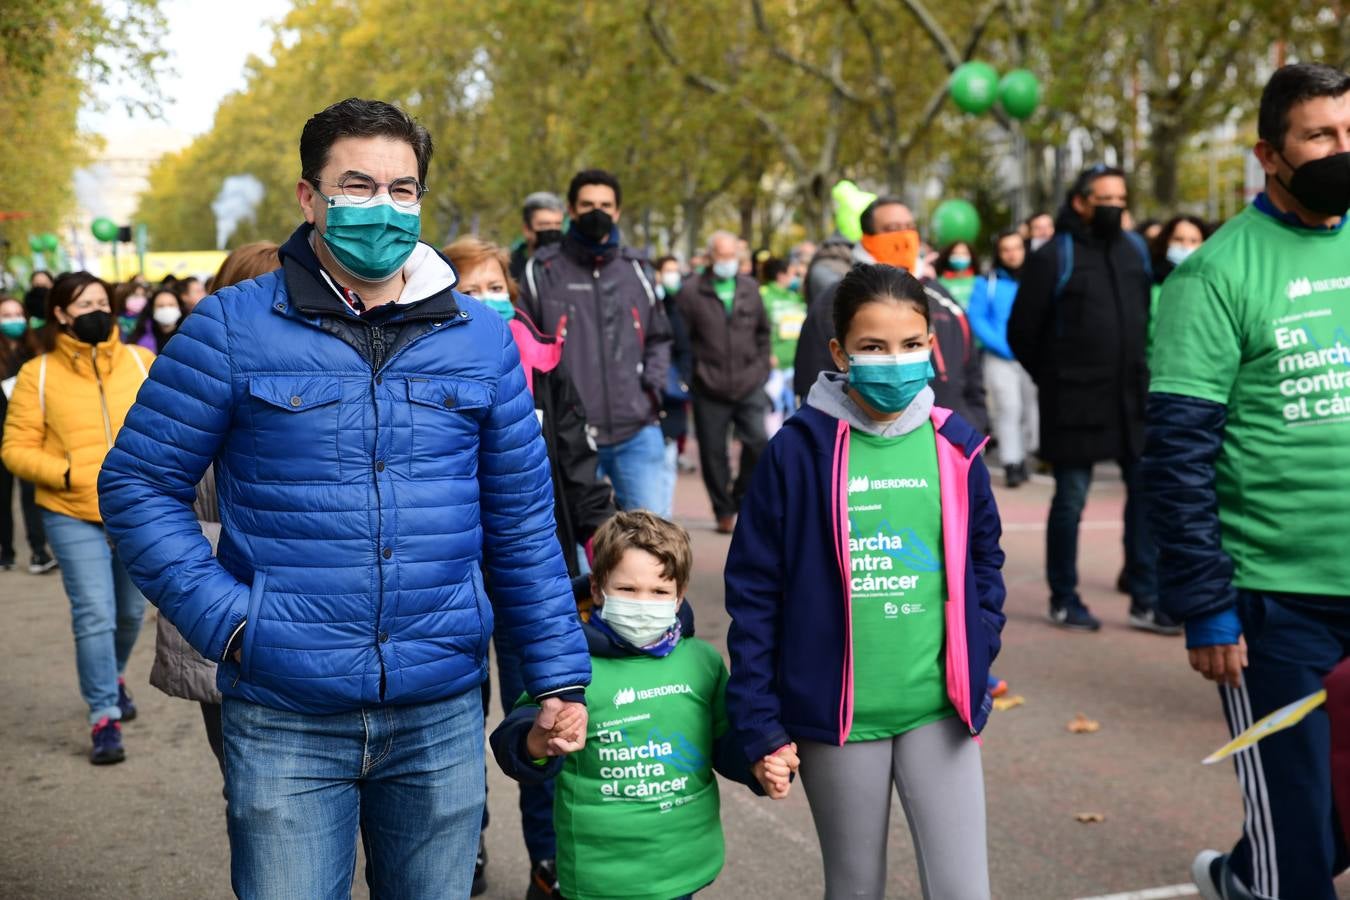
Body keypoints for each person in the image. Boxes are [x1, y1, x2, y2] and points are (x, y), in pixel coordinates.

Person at [97, 98, 591, 897]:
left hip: (440, 710)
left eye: (403, 190)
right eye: (357, 186)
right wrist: (232, 624)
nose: (383, 208)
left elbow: (524, 524)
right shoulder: (230, 327)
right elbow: (136, 484)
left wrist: (559, 676)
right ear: (309, 198)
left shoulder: (480, 338)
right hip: (285, 712)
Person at [725, 263, 1005, 900]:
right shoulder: (796, 452)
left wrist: (979, 645)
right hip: (836, 720)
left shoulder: (954, 446)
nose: (894, 361)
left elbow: (984, 560)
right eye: (873, 347)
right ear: (838, 352)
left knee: (966, 891)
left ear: (932, 346)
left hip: (941, 710)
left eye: (910, 345)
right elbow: (755, 595)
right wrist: (761, 720)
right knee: (854, 888)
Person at [1140, 63, 1350, 900]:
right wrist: (1206, 602)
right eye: (1321, 136)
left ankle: (1239, 875)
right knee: (1298, 841)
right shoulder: (1215, 274)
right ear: (1270, 153)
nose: (1343, 149)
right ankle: (1262, 875)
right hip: (1274, 606)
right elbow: (1178, 454)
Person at [491, 510, 784, 900]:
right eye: (627, 590)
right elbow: (514, 737)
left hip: (683, 863)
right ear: (596, 589)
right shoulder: (570, 668)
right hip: (599, 873)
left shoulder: (702, 662)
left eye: (660, 592)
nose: (644, 603)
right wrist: (535, 743)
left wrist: (758, 763)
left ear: (679, 595)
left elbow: (725, 742)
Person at [445, 234, 615, 897]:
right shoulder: (422, 363)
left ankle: (549, 858)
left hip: (533, 574)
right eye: (470, 289)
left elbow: (577, 461)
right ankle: (463, 845)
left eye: (497, 290)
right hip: (451, 575)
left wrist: (605, 543)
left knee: (544, 716)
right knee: (457, 722)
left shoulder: (546, 364)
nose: (488, 302)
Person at [1007, 164, 1175, 635]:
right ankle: (1064, 596)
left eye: (1121, 199)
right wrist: (1057, 377)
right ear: (1080, 202)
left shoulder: (1134, 249)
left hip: (1131, 400)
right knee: (1071, 499)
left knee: (1144, 494)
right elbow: (1022, 332)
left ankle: (1146, 596)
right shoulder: (1053, 256)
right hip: (1074, 404)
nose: (1115, 207)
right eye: (1105, 199)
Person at [2, 272, 154, 764]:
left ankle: (112, 675)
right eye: (83, 303)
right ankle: (104, 716)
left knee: (131, 613)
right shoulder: (37, 373)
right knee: (95, 613)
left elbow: (171, 429)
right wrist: (68, 472)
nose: (95, 310)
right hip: (71, 512)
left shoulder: (141, 361)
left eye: (100, 301)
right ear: (62, 314)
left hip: (135, 510)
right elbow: (16, 449)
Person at [147, 241, 281, 781]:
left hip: (309, 623)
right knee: (250, 793)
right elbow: (144, 498)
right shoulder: (190, 377)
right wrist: (226, 615)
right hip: (227, 619)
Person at [520, 169, 674, 516]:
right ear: (571, 211)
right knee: (582, 559)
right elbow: (525, 344)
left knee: (654, 546)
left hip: (636, 429)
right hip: (571, 439)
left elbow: (660, 337)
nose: (597, 212)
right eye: (587, 204)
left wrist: (650, 388)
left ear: (618, 211)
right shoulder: (542, 271)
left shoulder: (637, 270)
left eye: (606, 205)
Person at [794, 198, 988, 431]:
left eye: (909, 227)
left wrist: (974, 423)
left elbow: (972, 372)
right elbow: (813, 377)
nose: (904, 236)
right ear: (867, 238)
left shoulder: (942, 298)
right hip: (859, 444)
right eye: (892, 229)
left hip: (946, 441)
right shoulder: (836, 300)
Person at [675, 231, 771, 534]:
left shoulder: (750, 288)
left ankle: (740, 496)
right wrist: (692, 377)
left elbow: (763, 332)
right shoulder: (691, 292)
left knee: (758, 441)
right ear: (709, 257)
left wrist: (760, 370)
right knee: (713, 453)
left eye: (732, 256)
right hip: (709, 387)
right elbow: (682, 342)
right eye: (721, 256)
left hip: (749, 382)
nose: (727, 262)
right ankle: (723, 510)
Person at [969, 229, 1037, 487]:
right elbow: (977, 318)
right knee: (1008, 408)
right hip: (1001, 356)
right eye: (1006, 249)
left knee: (1031, 410)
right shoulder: (987, 282)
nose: (1012, 254)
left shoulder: (1035, 279)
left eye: (1016, 248)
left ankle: (1025, 456)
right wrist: (1005, 346)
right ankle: (1011, 462)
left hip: (1031, 357)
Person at [0, 295, 56, 574]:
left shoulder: (35, 353)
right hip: (2, 435)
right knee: (2, 495)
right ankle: (5, 551)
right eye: (6, 315)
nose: (13, 320)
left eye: (16, 314)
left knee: (30, 494)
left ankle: (38, 551)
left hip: (31, 436)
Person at [654, 255, 696, 478]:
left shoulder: (678, 304)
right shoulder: (648, 303)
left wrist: (683, 381)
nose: (674, 275)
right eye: (668, 270)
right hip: (650, 391)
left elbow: (684, 347)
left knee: (668, 459)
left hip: (671, 390)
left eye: (676, 270)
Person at [759, 257, 806, 434]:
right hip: (774, 366)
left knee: (793, 409)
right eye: (793, 274)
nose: (796, 277)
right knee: (773, 409)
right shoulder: (763, 295)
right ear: (781, 275)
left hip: (795, 363)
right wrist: (768, 354)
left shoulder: (796, 297)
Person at [510, 192, 567, 280]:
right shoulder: (510, 268)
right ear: (526, 229)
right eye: (544, 225)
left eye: (557, 224)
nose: (552, 230)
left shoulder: (572, 263)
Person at [127, 285, 188, 353]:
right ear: (152, 310)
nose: (166, 309)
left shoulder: (189, 336)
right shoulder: (139, 337)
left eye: (171, 305)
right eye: (160, 306)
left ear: (180, 308)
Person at [935, 241, 978, 309]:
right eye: (955, 253)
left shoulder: (979, 282)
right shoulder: (939, 282)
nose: (959, 257)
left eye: (964, 253)